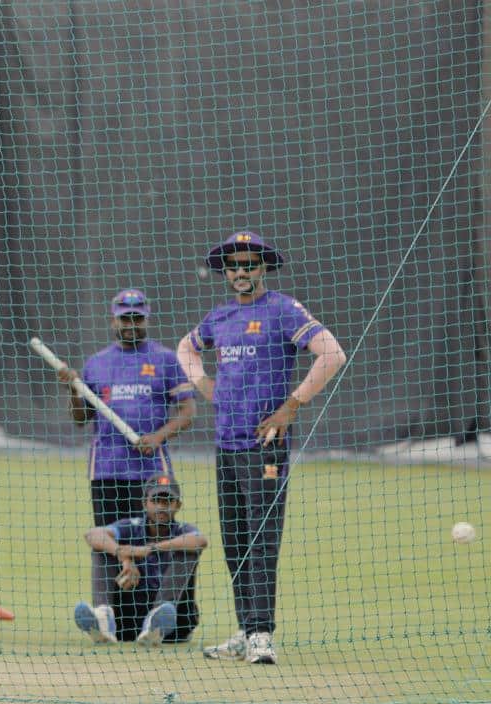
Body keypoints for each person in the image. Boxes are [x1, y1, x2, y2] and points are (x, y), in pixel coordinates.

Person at [177, 230, 346, 665]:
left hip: (265, 447)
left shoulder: (283, 309)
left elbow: (331, 354)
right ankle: (245, 628)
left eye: (249, 265)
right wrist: (202, 384)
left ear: (263, 268)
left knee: (262, 540)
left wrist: (291, 406)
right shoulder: (219, 317)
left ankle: (263, 634)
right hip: (227, 446)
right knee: (234, 542)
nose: (240, 272)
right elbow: (186, 348)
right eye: (233, 266)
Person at [57, 288, 197, 526]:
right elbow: (81, 419)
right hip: (106, 470)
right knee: (109, 542)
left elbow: (188, 411)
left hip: (150, 472)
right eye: (125, 318)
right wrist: (73, 391)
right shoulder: (96, 363)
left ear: (147, 318)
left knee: (152, 544)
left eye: (137, 318)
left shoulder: (165, 359)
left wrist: (157, 437)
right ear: (113, 320)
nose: (131, 324)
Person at [73, 475, 207, 646]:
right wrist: (123, 555)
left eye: (167, 502)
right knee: (103, 547)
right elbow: (92, 535)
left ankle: (158, 617)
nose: (161, 507)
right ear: (145, 503)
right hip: (129, 620)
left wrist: (150, 549)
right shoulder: (132, 526)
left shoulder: (183, 530)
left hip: (174, 625)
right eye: (155, 500)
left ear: (178, 505)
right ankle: (103, 617)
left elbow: (200, 540)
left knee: (188, 550)